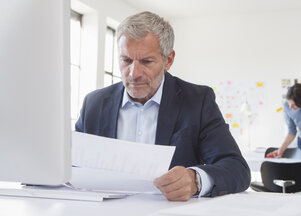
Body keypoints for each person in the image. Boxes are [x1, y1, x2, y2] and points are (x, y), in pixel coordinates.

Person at [75, 11, 250, 201]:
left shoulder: (198, 101)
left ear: (168, 60)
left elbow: (236, 168)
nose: (134, 73)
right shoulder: (94, 104)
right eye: (126, 60)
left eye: (146, 61)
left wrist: (195, 180)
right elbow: (70, 165)